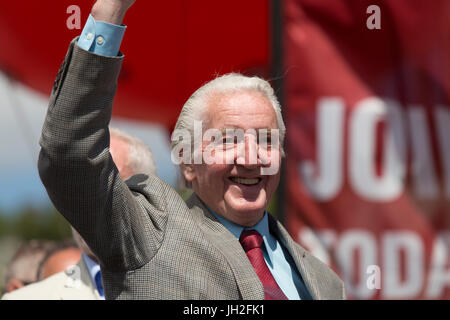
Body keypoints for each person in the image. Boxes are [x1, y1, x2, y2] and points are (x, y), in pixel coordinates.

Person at [37, 0, 345, 299]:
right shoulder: (147, 232)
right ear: (187, 162)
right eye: (228, 141)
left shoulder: (323, 281)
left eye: (266, 140)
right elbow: (70, 155)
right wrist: (110, 11)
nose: (251, 158)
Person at [2, 128, 156, 300]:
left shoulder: (187, 283)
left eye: (107, 187)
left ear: (148, 195)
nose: (87, 203)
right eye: (76, 189)